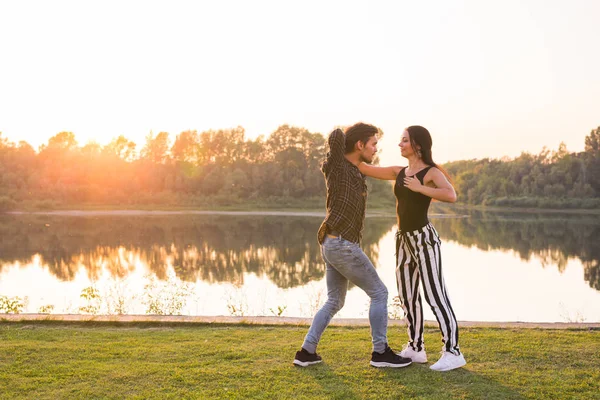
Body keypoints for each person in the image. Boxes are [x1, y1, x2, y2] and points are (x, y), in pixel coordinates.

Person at [293, 123, 412, 368]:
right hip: (341, 245)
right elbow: (336, 137)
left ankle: (306, 352)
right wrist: (349, 132)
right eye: (373, 143)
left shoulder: (356, 170)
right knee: (379, 293)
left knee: (335, 301)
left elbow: (389, 170)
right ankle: (380, 353)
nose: (376, 149)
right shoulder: (336, 166)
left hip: (334, 244)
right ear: (359, 145)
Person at [358, 125, 466, 372]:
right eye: (400, 140)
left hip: (424, 239)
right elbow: (364, 167)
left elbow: (451, 195)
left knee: (435, 296)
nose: (400, 144)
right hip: (403, 239)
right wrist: (346, 150)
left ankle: (453, 351)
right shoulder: (399, 172)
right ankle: (416, 348)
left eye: (404, 140)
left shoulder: (431, 172)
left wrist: (421, 188)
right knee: (407, 296)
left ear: (417, 145)